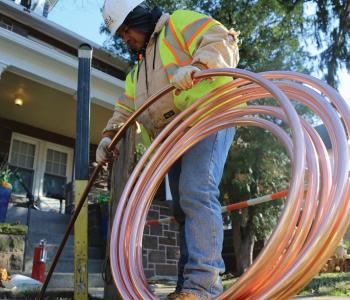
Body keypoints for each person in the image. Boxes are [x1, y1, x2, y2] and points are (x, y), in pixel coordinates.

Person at [97, 1, 242, 299]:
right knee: (181, 208)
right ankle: (187, 287)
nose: (126, 38)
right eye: (121, 35)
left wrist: (198, 66)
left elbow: (220, 39)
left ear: (139, 18)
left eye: (127, 30)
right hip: (173, 139)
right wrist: (109, 135)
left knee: (195, 190)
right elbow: (126, 109)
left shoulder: (178, 24)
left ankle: (204, 286)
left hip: (208, 116)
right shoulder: (137, 73)